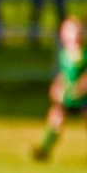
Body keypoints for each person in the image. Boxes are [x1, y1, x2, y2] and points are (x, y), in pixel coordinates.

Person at [32, 16, 87, 161]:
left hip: (83, 97)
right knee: (56, 118)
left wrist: (81, 88)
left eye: (77, 31)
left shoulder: (84, 55)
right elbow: (61, 75)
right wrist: (56, 88)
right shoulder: (63, 55)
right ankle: (43, 149)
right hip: (67, 96)